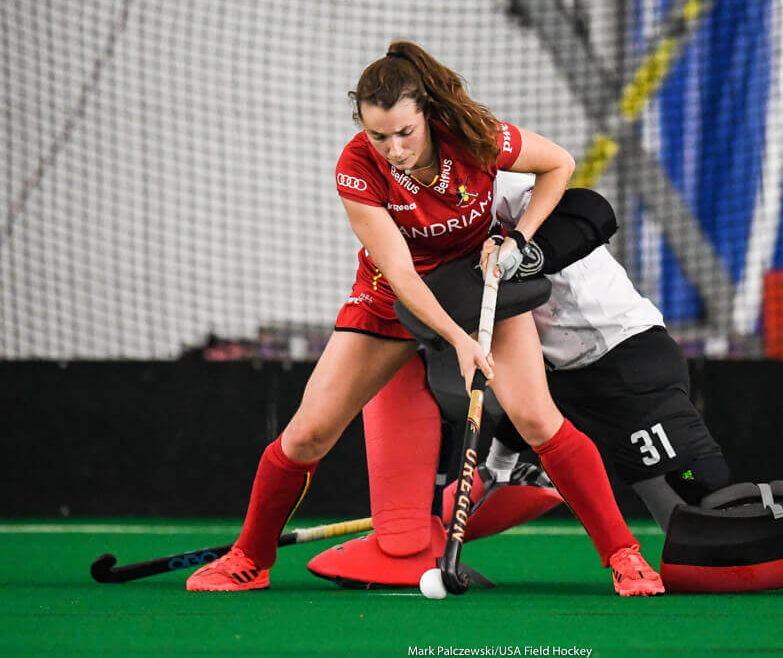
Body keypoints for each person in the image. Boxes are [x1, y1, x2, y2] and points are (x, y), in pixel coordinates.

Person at [312, 171, 783, 595]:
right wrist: (426, 529)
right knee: (688, 545)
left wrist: (525, 252)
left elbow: (593, 210)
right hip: (570, 383)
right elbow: (516, 468)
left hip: (625, 364)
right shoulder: (429, 235)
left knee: (708, 518)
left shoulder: (493, 190)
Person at [185, 41, 664, 597]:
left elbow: (560, 164)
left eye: (405, 133)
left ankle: (624, 555)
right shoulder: (356, 169)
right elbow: (403, 276)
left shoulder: (476, 136)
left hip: (477, 288)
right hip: (390, 298)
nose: (393, 149)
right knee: (308, 432)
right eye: (378, 136)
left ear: (428, 116)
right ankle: (249, 558)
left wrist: (518, 238)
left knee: (537, 419)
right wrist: (459, 342)